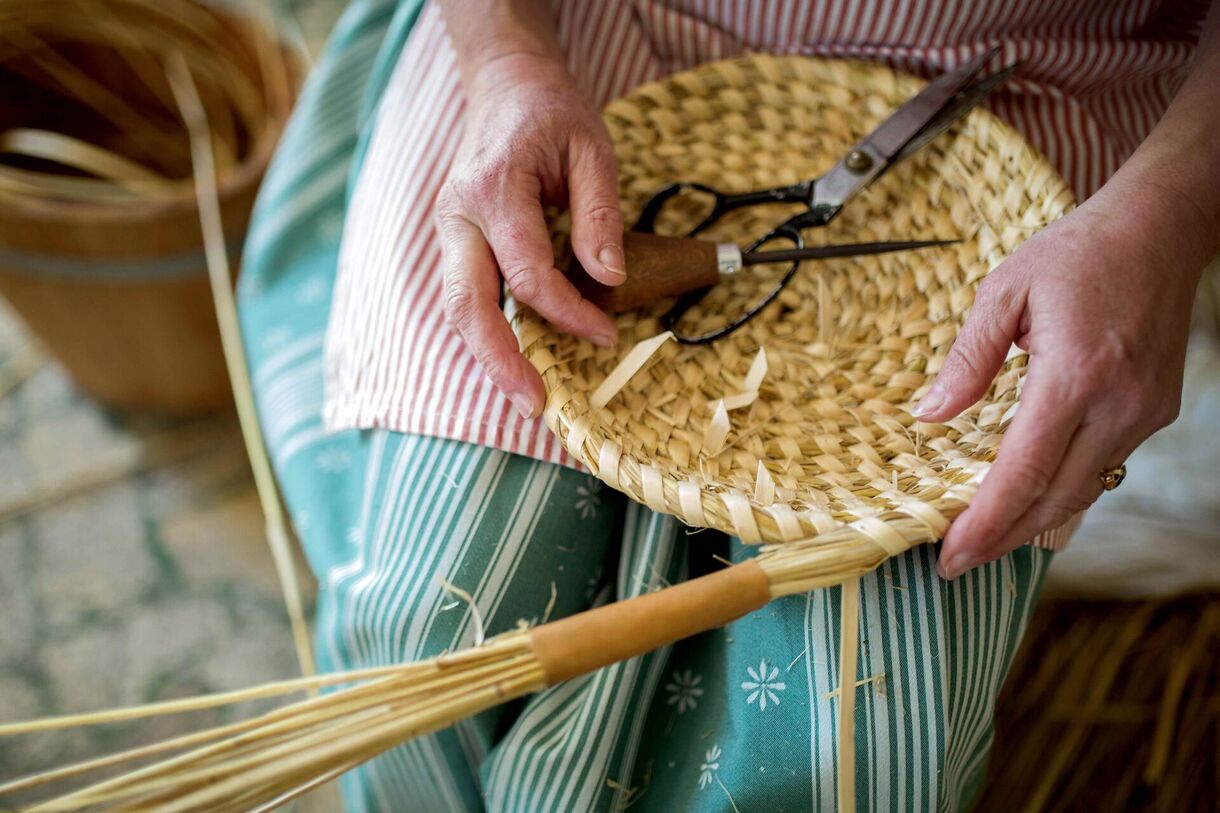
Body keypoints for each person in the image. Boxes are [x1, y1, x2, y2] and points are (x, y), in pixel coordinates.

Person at [238, 1, 1218, 810]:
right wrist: (503, 60)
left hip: (1028, 93)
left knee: (850, 753)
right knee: (426, 641)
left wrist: (1165, 220)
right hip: (562, 51)